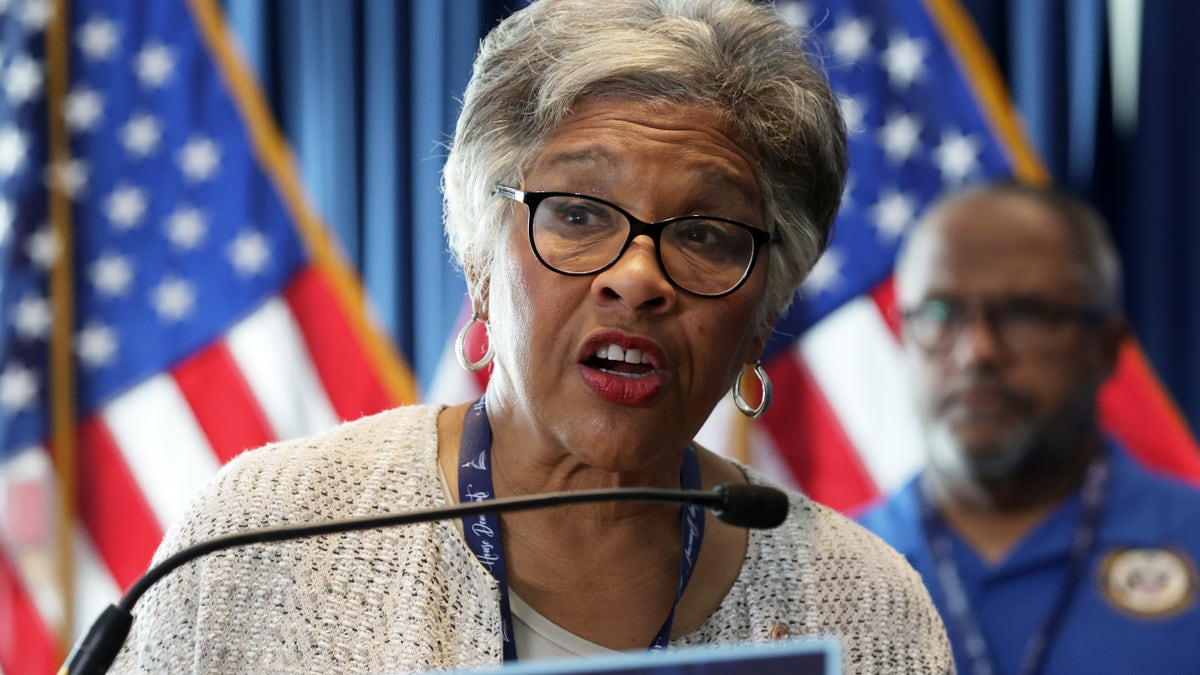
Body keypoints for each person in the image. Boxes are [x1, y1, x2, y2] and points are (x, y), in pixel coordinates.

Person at [112, 1, 951, 672]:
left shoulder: (867, 609)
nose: (638, 276)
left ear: (764, 311)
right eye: (580, 213)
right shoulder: (268, 533)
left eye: (704, 233)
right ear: (480, 260)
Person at [858, 180, 1200, 675]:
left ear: (1106, 348)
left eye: (1024, 313)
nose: (977, 351)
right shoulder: (822, 570)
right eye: (940, 312)